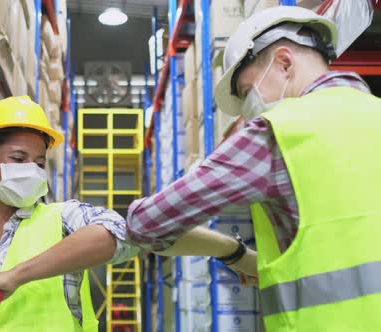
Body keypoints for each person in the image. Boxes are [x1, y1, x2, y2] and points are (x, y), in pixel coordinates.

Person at [126, 6, 381, 331]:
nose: (249, 110)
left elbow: (145, 224)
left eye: (248, 93)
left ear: (284, 62)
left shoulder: (278, 132)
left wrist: (233, 252)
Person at [0, 96, 139, 331]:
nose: (31, 170)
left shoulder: (62, 219)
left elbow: (122, 234)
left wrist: (13, 276)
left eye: (39, 163)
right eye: (18, 159)